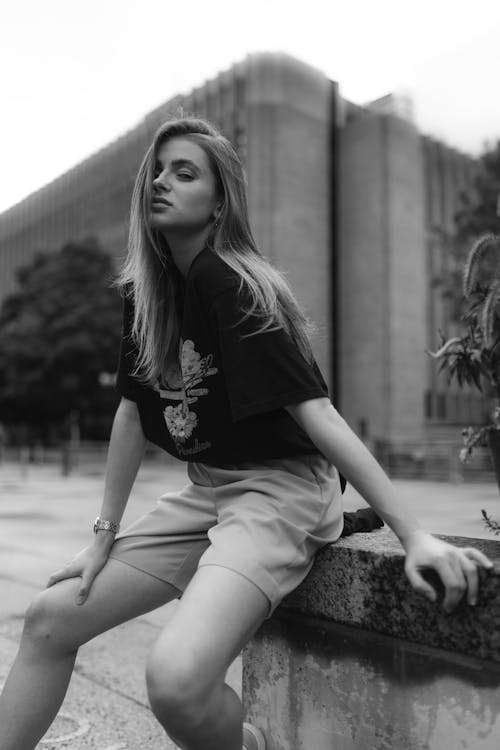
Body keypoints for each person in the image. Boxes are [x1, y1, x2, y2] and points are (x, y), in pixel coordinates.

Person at [0, 117, 493, 750]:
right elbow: (131, 410)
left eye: (185, 173)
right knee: (47, 621)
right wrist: (104, 537)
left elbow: (318, 413)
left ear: (219, 201)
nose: (161, 182)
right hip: (210, 491)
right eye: (157, 170)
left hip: (281, 492)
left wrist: (415, 533)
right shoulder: (148, 292)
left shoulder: (233, 286)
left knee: (175, 680)